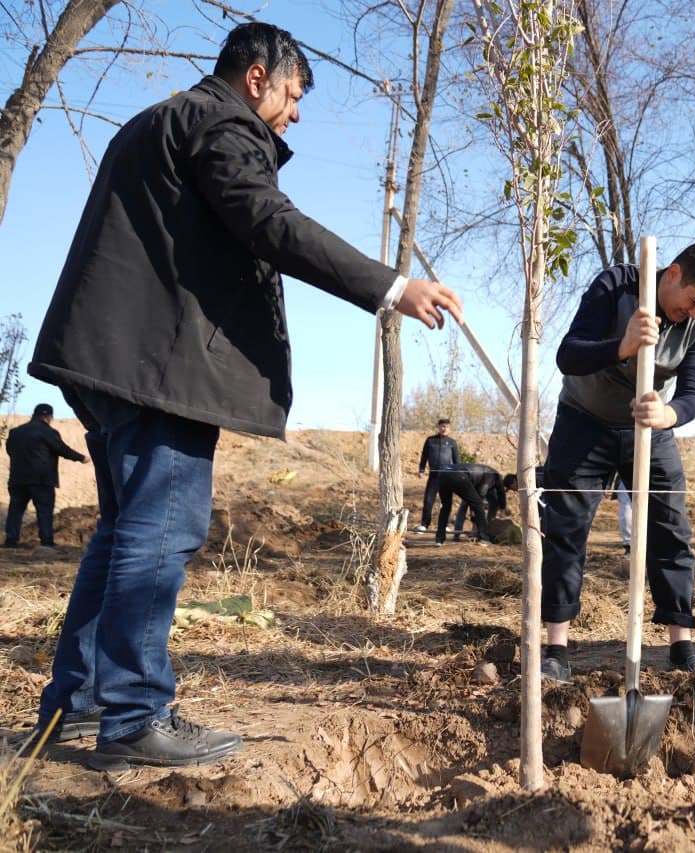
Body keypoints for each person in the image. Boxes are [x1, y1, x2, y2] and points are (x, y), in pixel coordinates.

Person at [23, 23, 462, 771]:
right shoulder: (219, 122)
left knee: (124, 530)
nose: (294, 116)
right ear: (257, 79)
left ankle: (81, 701)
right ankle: (133, 713)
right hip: (154, 368)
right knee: (162, 527)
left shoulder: (160, 121)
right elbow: (269, 221)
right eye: (292, 96)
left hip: (110, 361)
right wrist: (392, 286)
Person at [539, 240, 695, 683]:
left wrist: (670, 415)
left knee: (671, 532)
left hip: (649, 428)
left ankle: (681, 645)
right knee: (566, 532)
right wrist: (622, 346)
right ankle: (556, 648)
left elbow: (694, 390)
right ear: (672, 275)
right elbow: (568, 354)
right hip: (583, 422)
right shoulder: (616, 286)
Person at [4, 403, 89, 548]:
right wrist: (81, 458)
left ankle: (11, 541)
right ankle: (46, 541)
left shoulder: (15, 432)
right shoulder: (47, 431)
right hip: (41, 479)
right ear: (48, 417)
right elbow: (61, 448)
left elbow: (10, 450)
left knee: (15, 510)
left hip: (17, 479)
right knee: (44, 511)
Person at [432, 463, 514, 547]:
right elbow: (483, 493)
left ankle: (439, 539)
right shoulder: (492, 475)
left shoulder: (486, 472)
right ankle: (484, 538)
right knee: (478, 504)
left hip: (443, 474)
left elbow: (498, 493)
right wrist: (502, 509)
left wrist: (473, 509)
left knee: (445, 507)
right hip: (458, 475)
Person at [414, 418, 461, 534]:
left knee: (446, 501)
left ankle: (444, 525)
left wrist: (458, 474)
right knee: (428, 500)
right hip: (434, 476)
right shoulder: (430, 440)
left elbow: (457, 461)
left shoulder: (452, 442)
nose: (444, 429)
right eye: (442, 426)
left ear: (449, 429)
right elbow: (424, 456)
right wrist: (421, 469)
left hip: (447, 477)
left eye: (446, 427)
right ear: (438, 427)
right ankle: (424, 524)